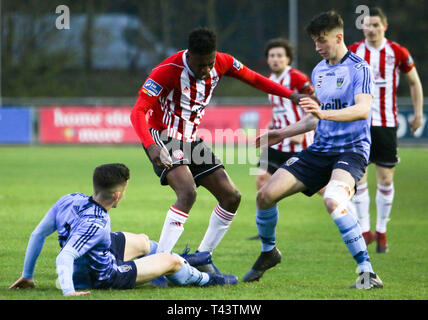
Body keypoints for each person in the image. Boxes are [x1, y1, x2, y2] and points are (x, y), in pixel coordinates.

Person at [130, 27, 317, 273]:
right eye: (199, 65)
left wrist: (291, 95)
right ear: (190, 56)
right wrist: (151, 146)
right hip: (163, 136)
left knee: (231, 196)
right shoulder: (166, 71)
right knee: (187, 193)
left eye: (209, 64)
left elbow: (256, 79)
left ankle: (204, 256)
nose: (206, 70)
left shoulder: (223, 62)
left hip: (191, 139)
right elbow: (138, 112)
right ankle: (159, 266)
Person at [242, 11, 383, 289]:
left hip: (351, 150)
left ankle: (367, 271)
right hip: (319, 150)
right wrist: (281, 133)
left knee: (332, 199)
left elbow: (362, 109)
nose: (317, 47)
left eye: (322, 41)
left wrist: (324, 114)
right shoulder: (319, 71)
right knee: (265, 195)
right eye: (314, 42)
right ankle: (269, 252)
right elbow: (314, 116)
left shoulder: (359, 68)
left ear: (338, 37)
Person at [9, 163, 237, 296]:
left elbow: (38, 234)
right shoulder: (96, 224)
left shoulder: (70, 200)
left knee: (142, 241)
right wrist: (69, 292)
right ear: (117, 194)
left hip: (96, 255)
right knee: (171, 261)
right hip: (101, 275)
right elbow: (66, 255)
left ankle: (182, 262)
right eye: (125, 189)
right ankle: (207, 279)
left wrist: (28, 275)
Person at [348, 7, 424, 253]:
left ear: (384, 26)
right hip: (358, 124)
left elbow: (414, 83)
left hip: (386, 123)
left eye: (375, 25)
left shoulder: (397, 52)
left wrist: (418, 113)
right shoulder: (353, 51)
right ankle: (365, 230)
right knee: (359, 179)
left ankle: (381, 231)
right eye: (367, 25)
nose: (371, 29)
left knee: (385, 178)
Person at [246, 38, 315, 241]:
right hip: (277, 141)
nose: (275, 59)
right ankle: (265, 229)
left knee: (319, 187)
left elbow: (313, 102)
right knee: (261, 179)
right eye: (272, 56)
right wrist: (269, 127)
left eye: (279, 56)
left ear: (288, 59)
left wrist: (302, 132)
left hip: (298, 141)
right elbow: (278, 109)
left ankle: (348, 211)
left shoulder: (296, 78)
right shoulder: (270, 80)